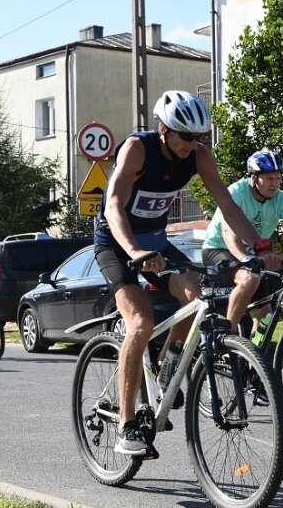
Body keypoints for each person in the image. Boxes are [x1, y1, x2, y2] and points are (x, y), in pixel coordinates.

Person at [94, 90, 272, 456]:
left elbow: (228, 205)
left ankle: (167, 364)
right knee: (141, 323)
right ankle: (128, 425)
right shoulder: (137, 149)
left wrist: (258, 248)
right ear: (164, 130)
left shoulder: (199, 157)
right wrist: (136, 252)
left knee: (196, 297)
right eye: (187, 137)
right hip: (116, 242)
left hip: (156, 242)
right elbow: (113, 206)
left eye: (200, 137)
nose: (194, 144)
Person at [202, 149, 283, 334]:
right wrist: (243, 257)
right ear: (254, 178)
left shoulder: (280, 199)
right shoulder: (237, 192)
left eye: (278, 178)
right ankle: (228, 338)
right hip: (219, 249)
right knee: (248, 278)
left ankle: (252, 357)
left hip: (254, 252)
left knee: (265, 317)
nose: (275, 184)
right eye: (269, 179)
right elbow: (228, 233)